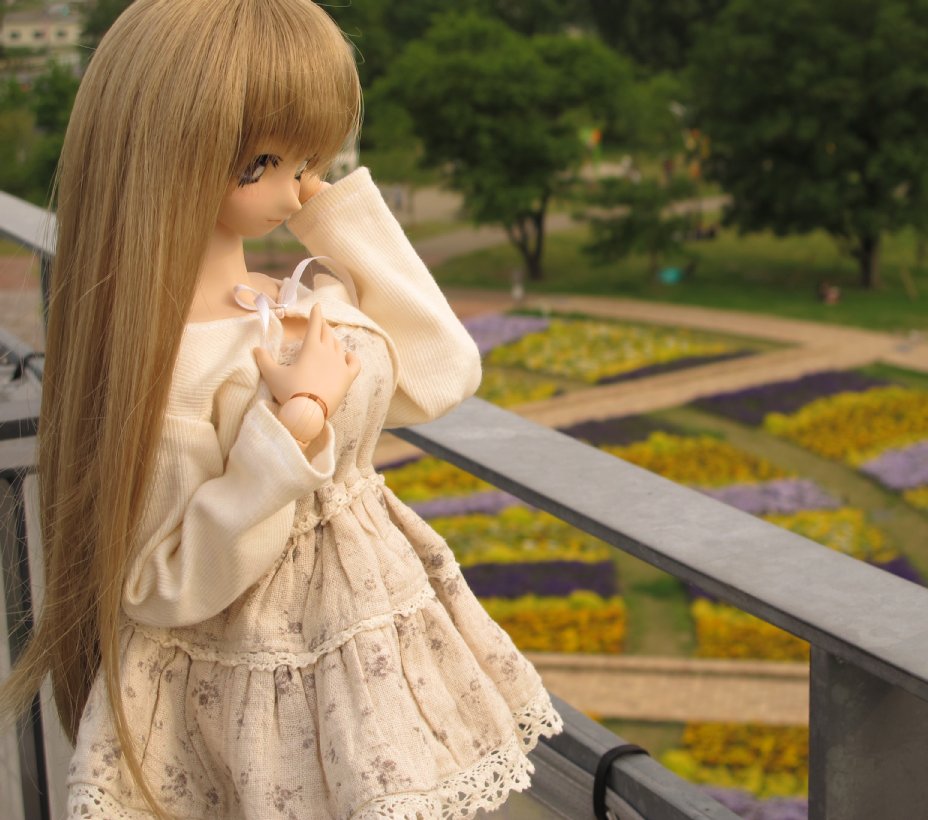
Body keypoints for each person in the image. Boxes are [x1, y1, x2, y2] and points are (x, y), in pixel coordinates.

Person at [0, 1, 562, 818]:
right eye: (261, 161)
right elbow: (159, 585)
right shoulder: (176, 368)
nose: (292, 188)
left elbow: (442, 371)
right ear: (165, 153)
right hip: (264, 682)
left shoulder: (291, 303)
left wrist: (333, 215)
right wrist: (292, 430)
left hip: (365, 657)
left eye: (308, 158)